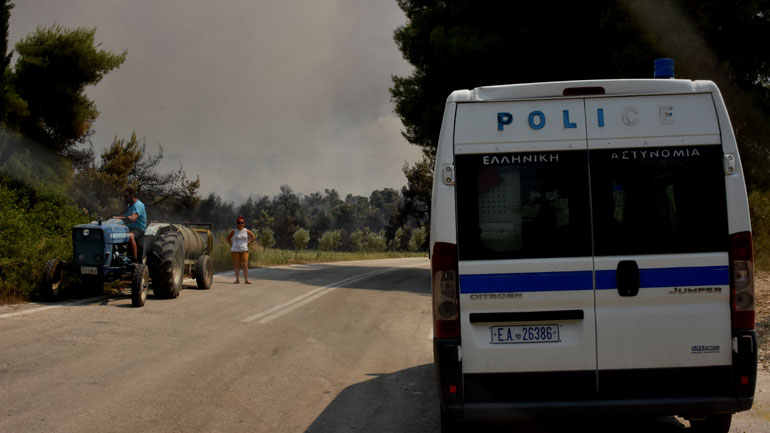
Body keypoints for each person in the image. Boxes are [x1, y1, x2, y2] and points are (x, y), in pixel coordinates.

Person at [113, 187, 147, 262]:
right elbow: (121, 213)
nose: (125, 198)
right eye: (124, 197)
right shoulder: (129, 205)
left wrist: (119, 217)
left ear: (132, 195)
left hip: (138, 230)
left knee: (130, 236)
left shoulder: (139, 205)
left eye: (126, 197)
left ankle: (134, 259)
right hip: (127, 228)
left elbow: (133, 218)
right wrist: (124, 206)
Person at [227, 216, 255, 284]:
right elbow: (228, 238)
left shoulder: (246, 230)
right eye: (239, 223)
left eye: (242, 223)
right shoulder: (234, 231)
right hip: (235, 250)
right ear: (237, 224)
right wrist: (232, 245)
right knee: (236, 265)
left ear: (244, 223)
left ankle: (246, 280)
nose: (240, 224)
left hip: (244, 249)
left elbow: (253, 236)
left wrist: (248, 243)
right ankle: (237, 279)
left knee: (244, 264)